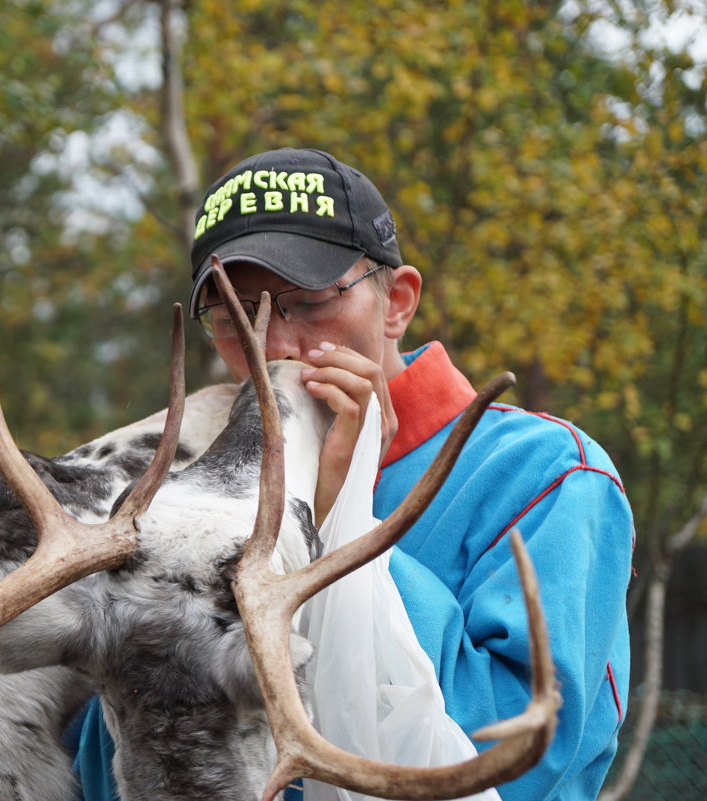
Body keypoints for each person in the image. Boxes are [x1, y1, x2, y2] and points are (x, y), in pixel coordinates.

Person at [72, 147, 633, 800]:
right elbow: (107, 757)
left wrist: (340, 515)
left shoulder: (550, 474)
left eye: (305, 302)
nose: (272, 345)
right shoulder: (192, 497)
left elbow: (519, 759)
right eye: (234, 317)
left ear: (396, 303)